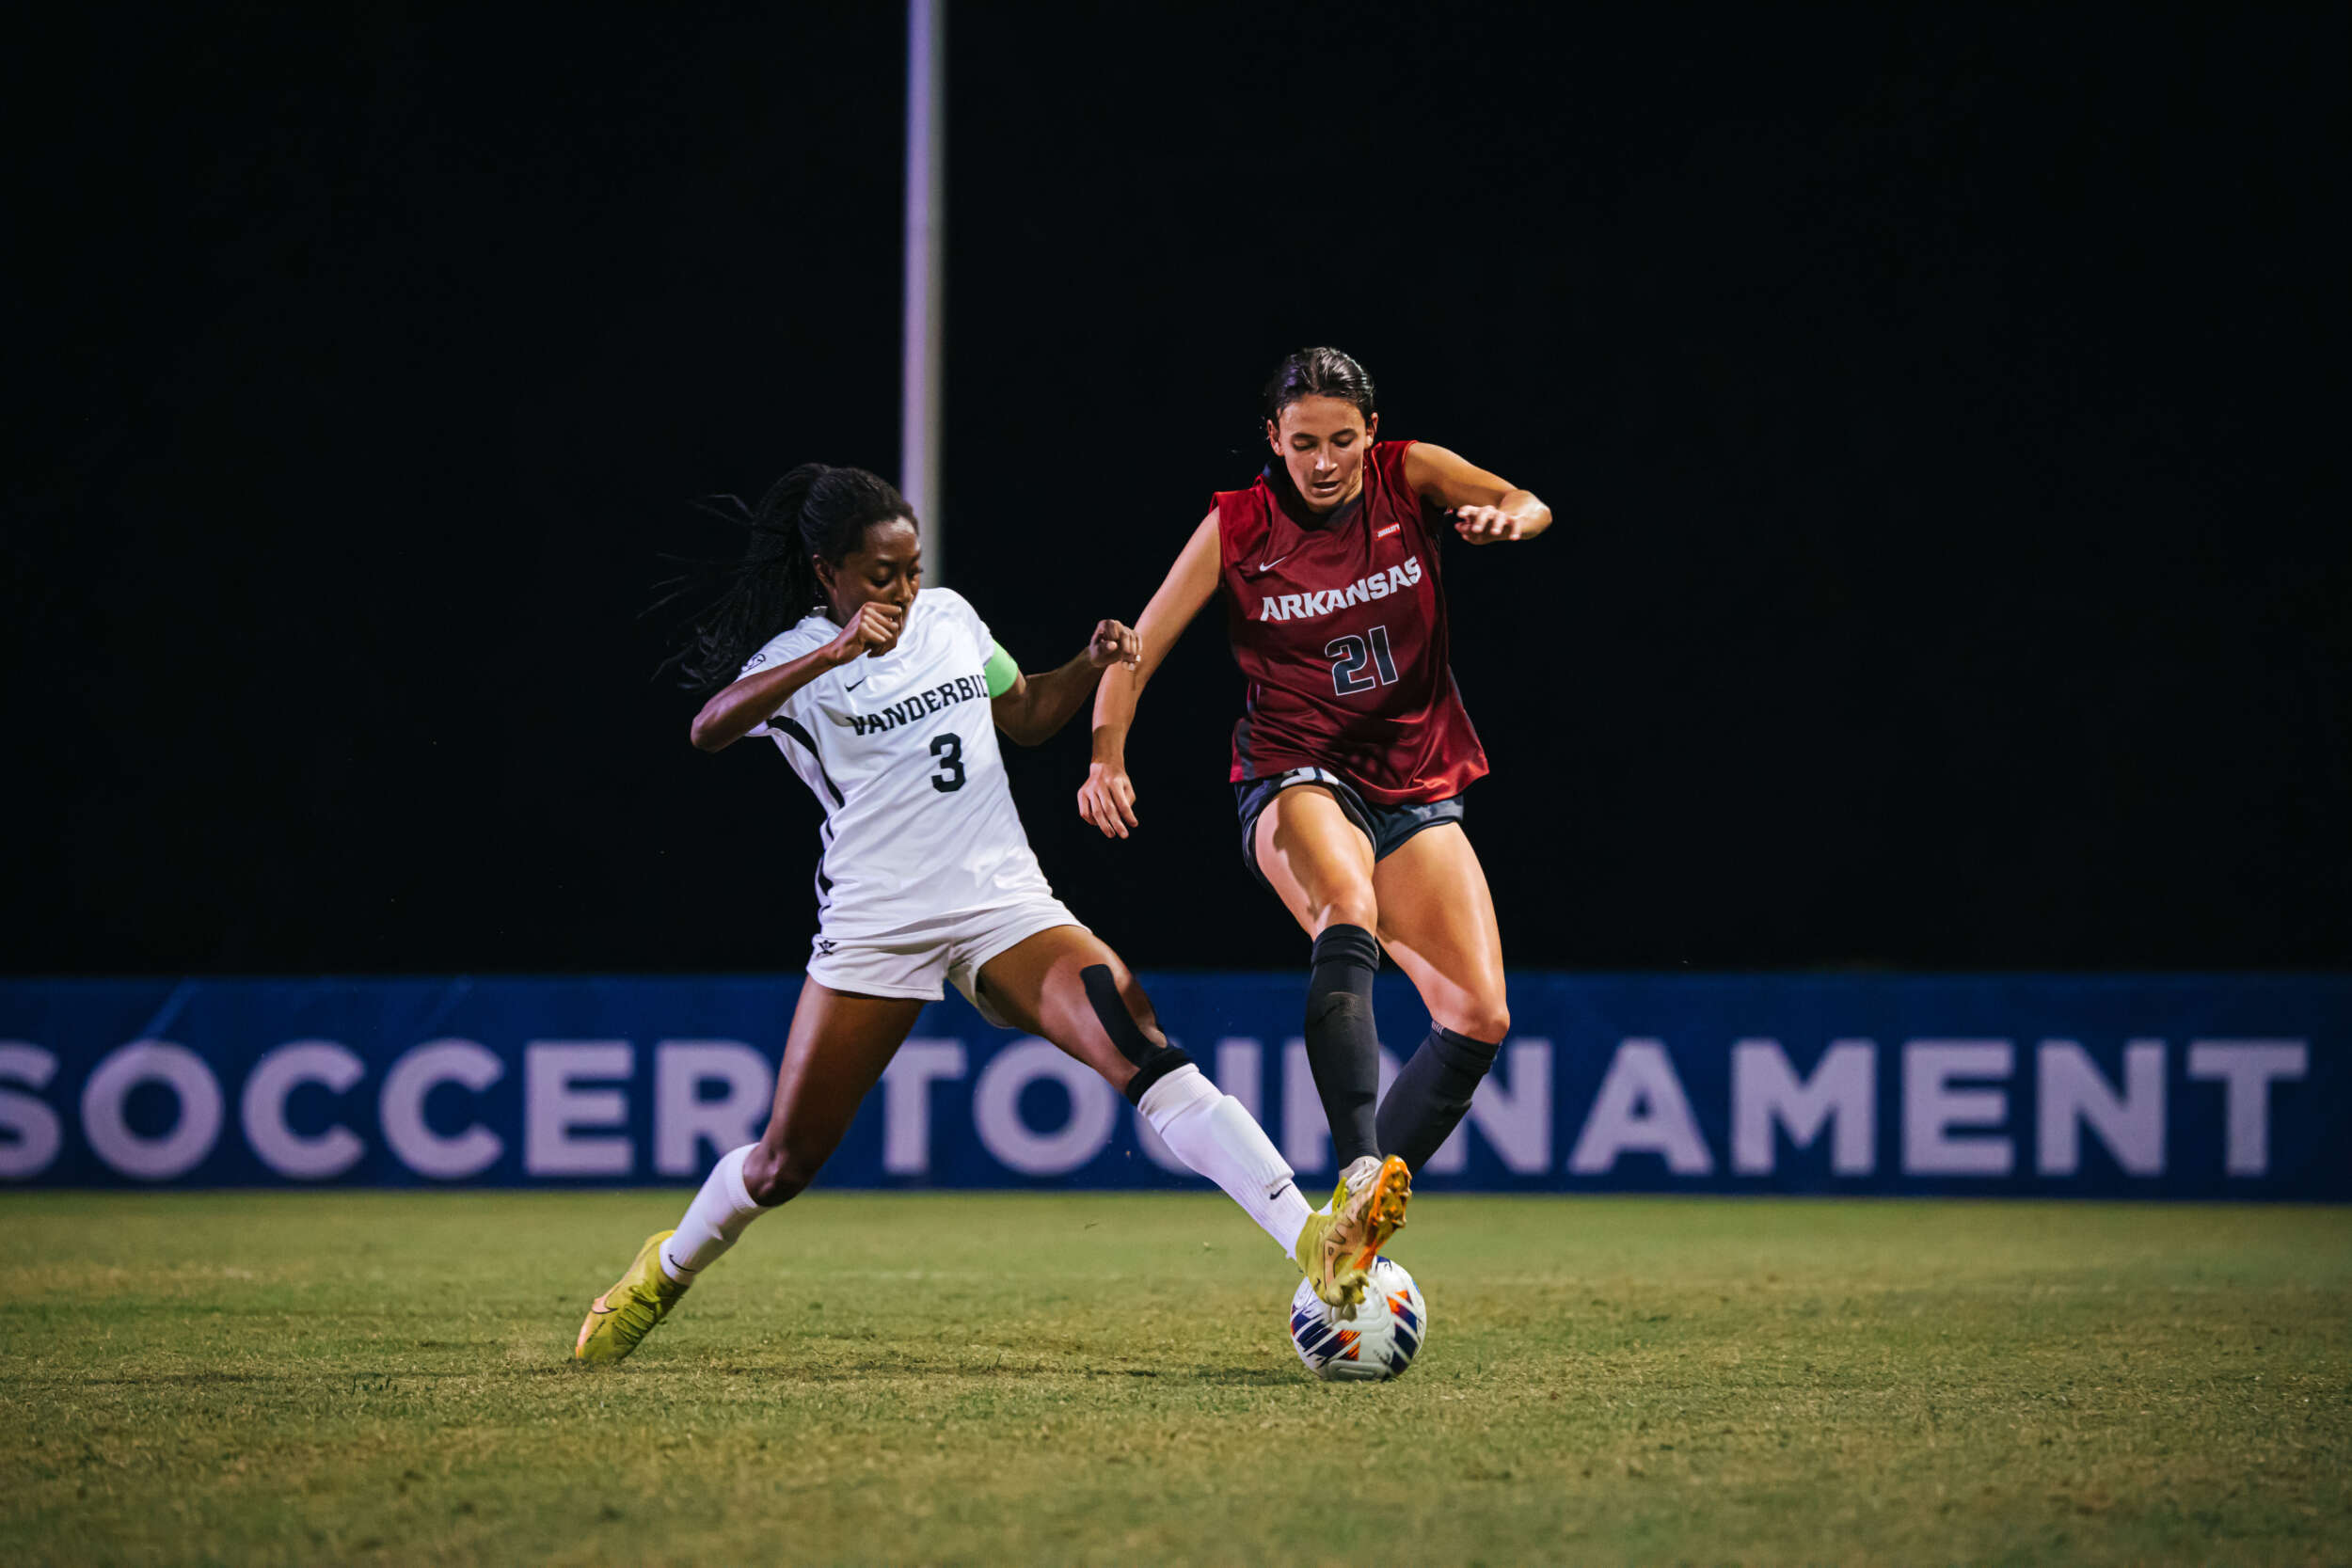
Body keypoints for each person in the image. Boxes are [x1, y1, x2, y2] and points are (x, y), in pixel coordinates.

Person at [576, 463, 1403, 1364]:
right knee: (784, 1163)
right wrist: (829, 652)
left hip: (1003, 901)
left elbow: (1032, 715)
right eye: (880, 573)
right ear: (828, 572)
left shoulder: (951, 619)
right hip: (879, 920)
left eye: (912, 567)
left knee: (1138, 1036)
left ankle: (1311, 1239)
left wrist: (1089, 662)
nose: (903, 588)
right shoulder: (799, 657)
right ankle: (664, 1270)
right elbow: (709, 730)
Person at [1078, 346, 1550, 1209]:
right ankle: (1362, 1161)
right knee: (1347, 904)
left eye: (1341, 440)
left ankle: (1347, 1228)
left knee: (1479, 1015)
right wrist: (1106, 754)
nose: (1323, 462)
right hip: (1293, 768)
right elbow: (1135, 651)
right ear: (1274, 437)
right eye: (1303, 443)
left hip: (1411, 778)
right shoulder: (1238, 525)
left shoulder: (1410, 476)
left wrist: (1511, 518)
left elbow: (1526, 500)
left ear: (1371, 433)